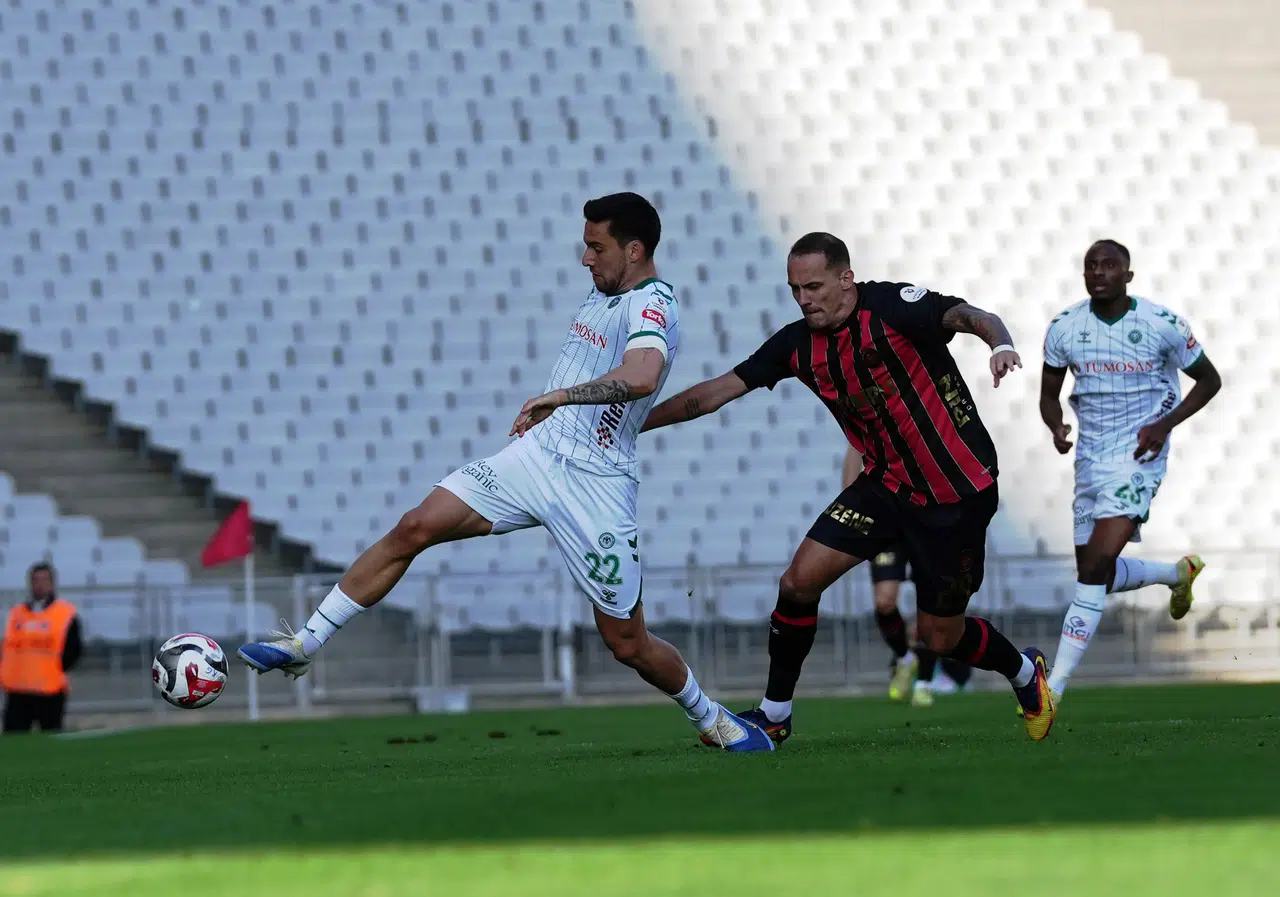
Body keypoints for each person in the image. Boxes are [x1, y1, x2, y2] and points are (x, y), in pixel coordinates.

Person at [238, 192, 774, 751]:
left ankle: (712, 720)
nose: (585, 259)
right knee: (414, 526)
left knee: (627, 643)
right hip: (537, 457)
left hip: (595, 486)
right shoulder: (602, 295)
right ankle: (305, 643)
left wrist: (560, 396)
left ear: (634, 250)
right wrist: (569, 413)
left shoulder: (653, 304)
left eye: (597, 247)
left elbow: (642, 375)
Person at [643, 232, 1057, 744]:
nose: (804, 298)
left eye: (813, 286)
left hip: (957, 493)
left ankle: (1023, 671)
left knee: (939, 635)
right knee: (797, 583)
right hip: (884, 486)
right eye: (795, 289)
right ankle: (775, 714)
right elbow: (711, 395)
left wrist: (1001, 344)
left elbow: (971, 316)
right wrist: (632, 423)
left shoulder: (892, 308)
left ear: (845, 279)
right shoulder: (797, 344)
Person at [1038, 239, 1220, 705]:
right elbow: (1048, 394)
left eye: (1109, 265)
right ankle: (1176, 574)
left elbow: (1209, 380)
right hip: (1091, 458)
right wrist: (1056, 425)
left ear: (1128, 275)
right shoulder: (1064, 327)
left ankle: (1052, 689)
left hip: (1140, 453)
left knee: (1096, 566)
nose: (1098, 272)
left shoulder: (1161, 324)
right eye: (1090, 266)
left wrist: (1163, 424)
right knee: (1091, 569)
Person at [843, 448, 971, 706]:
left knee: (929, 602)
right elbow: (854, 458)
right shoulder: (868, 420)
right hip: (887, 525)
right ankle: (904, 658)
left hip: (925, 521)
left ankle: (924, 682)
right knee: (884, 601)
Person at [1, 562, 82, 733]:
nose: (39, 584)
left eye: (44, 580)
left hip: (50, 690)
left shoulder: (64, 613)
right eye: (35, 580)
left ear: (52, 583)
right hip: (18, 691)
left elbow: (74, 649)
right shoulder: (17, 614)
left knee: (50, 741)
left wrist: (56, 668)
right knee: (14, 743)